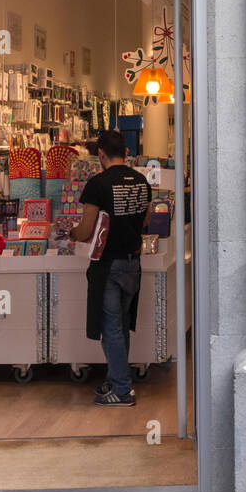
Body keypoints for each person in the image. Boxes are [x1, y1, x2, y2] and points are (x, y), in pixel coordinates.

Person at [71, 130, 153, 406]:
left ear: (101, 155)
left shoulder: (98, 184)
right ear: (127, 152)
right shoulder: (141, 180)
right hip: (133, 262)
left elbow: (85, 231)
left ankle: (122, 389)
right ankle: (117, 378)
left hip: (108, 265)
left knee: (112, 327)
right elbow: (147, 219)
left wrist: (70, 233)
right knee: (120, 325)